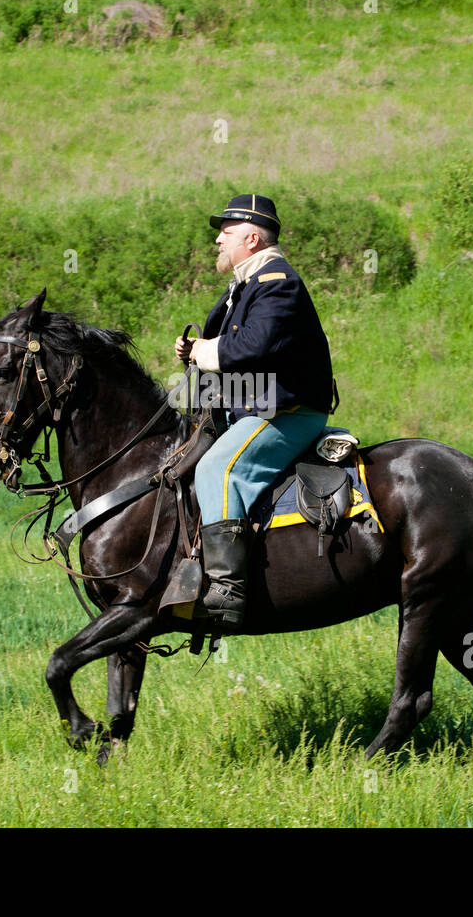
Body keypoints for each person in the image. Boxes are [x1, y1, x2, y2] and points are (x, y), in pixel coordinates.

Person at [173, 194, 334, 630]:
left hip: (289, 411)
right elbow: (230, 354)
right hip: (256, 405)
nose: (218, 241)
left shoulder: (277, 281)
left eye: (225, 232)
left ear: (252, 236)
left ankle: (227, 590)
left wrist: (207, 351)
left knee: (216, 471)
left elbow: (253, 347)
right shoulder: (244, 286)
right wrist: (193, 353)